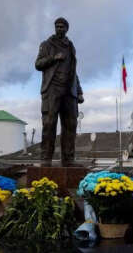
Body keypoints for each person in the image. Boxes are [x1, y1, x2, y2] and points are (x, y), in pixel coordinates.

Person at [35, 17, 84, 167]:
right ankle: (46, 159)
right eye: (57, 26)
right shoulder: (47, 44)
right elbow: (38, 64)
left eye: (62, 26)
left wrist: (79, 90)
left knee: (70, 125)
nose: (59, 28)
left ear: (67, 29)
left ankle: (68, 159)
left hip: (69, 90)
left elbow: (73, 71)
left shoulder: (70, 46)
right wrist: (54, 58)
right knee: (49, 123)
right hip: (52, 89)